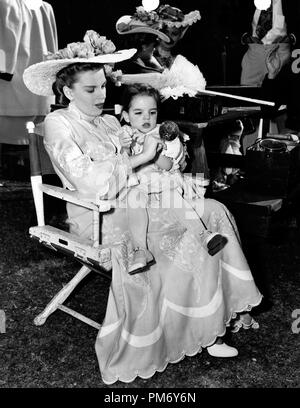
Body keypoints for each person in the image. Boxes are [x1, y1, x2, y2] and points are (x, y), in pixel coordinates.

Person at [23, 30, 262, 385]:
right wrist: (140, 159)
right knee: (183, 230)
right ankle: (199, 331)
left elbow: (145, 158)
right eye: (90, 90)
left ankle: (214, 324)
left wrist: (167, 156)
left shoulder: (107, 122)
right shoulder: (60, 123)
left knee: (212, 210)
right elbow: (92, 182)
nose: (100, 95)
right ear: (67, 91)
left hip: (140, 200)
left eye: (103, 87)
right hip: (100, 214)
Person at [121, 83, 228, 271]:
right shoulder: (125, 134)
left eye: (152, 112)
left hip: (164, 181)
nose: (146, 117)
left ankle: (203, 234)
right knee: (133, 198)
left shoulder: (166, 134)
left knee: (172, 197)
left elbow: (169, 165)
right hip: (139, 184)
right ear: (125, 116)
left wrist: (152, 153)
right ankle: (141, 250)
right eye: (138, 113)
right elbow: (121, 165)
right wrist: (124, 146)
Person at [0, 0, 58, 177]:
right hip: (39, 86)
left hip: (10, 84)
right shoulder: (46, 6)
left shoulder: (6, 3)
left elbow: (6, 46)